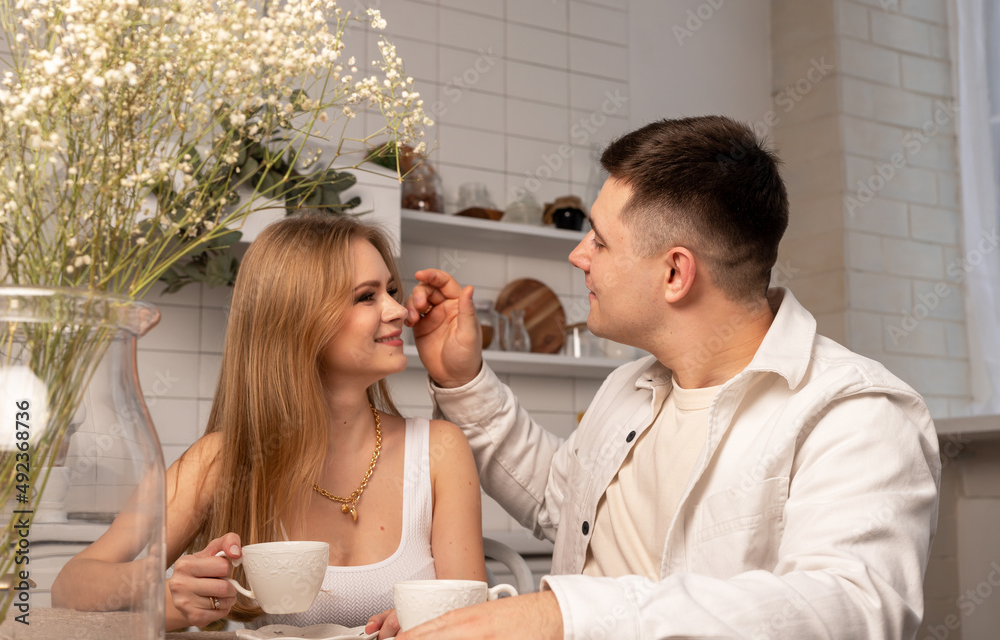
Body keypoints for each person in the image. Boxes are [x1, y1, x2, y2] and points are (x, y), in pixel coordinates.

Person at [391, 116, 941, 639]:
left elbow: (851, 611)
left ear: (676, 272)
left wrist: (568, 618)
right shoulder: (628, 387)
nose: (578, 254)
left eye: (600, 241)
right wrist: (462, 381)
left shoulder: (857, 413)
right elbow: (558, 504)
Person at [52, 214, 486, 635]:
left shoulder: (439, 450)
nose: (400, 311)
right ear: (297, 319)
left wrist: (432, 622)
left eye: (391, 290)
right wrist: (164, 591)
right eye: (366, 296)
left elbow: (474, 619)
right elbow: (70, 585)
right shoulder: (221, 460)